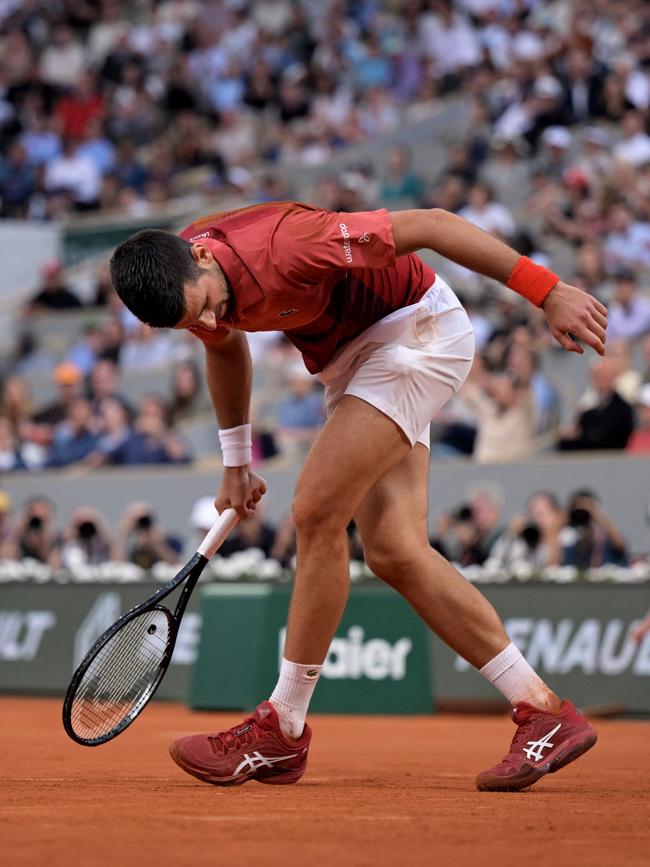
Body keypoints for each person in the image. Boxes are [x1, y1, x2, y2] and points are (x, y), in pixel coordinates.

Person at [110, 199, 606, 792]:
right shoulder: (184, 281)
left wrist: (546, 291)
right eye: (194, 321)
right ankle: (544, 711)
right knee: (396, 552)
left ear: (199, 257)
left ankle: (282, 729)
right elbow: (223, 348)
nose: (211, 322)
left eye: (207, 307)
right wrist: (236, 464)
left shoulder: (289, 245)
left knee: (316, 511)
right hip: (351, 361)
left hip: (414, 332)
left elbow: (432, 225)